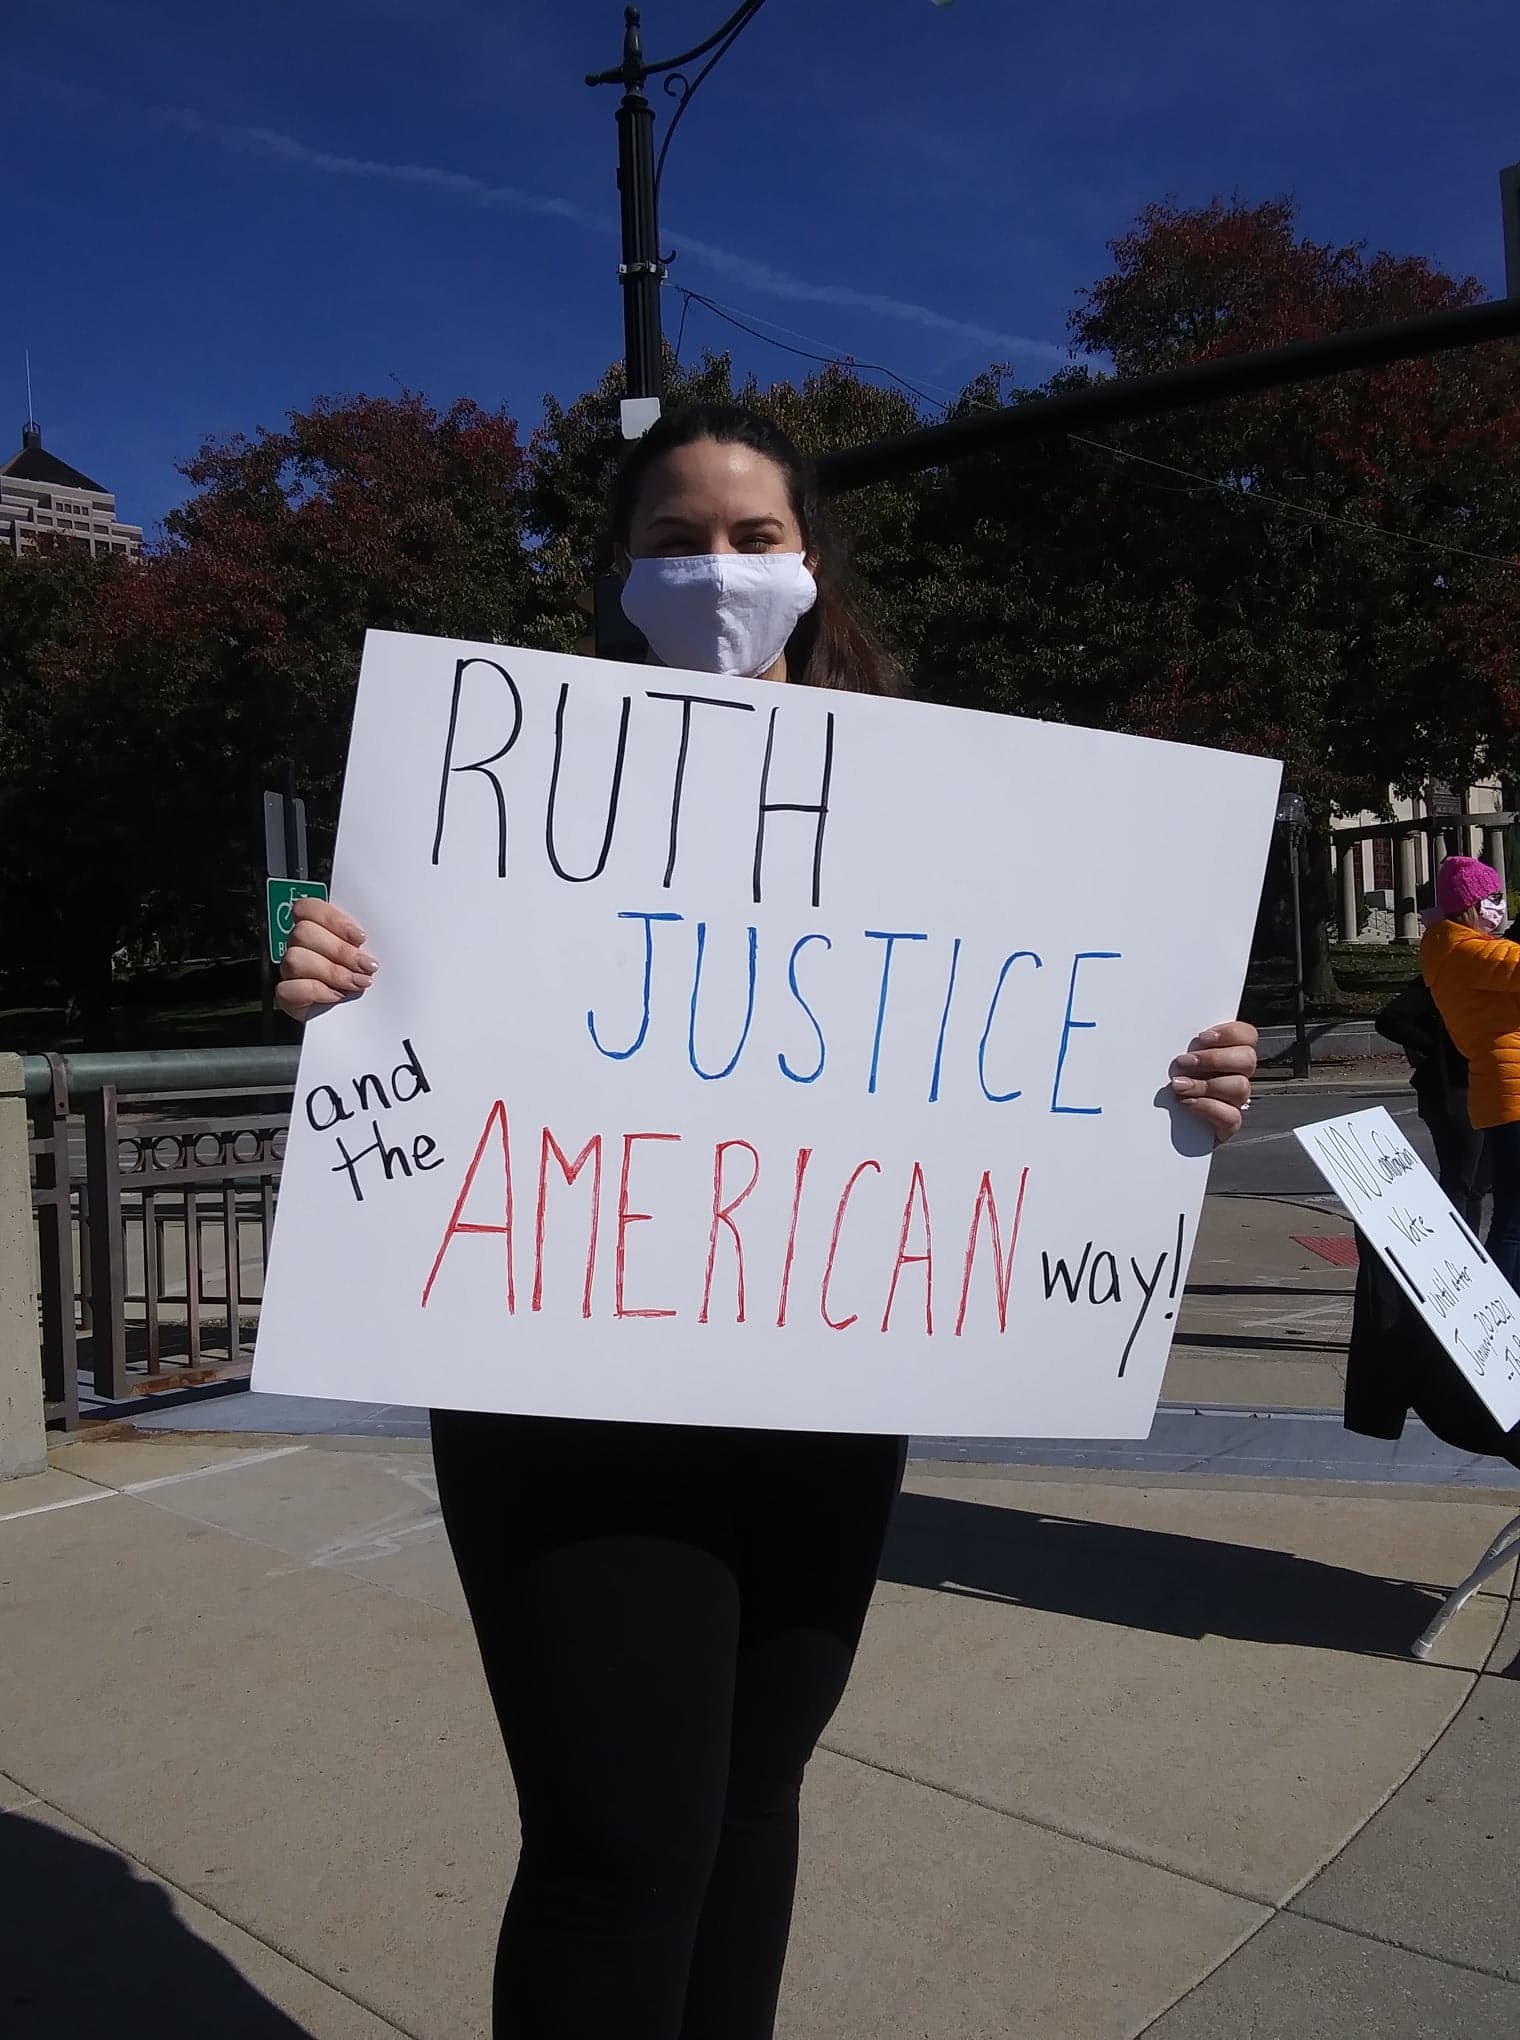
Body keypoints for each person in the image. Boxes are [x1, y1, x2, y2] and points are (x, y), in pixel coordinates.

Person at [276, 403, 1258, 2040]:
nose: (718, 573)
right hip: (564, 1383)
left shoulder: (953, 812)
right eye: (675, 543)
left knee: (752, 1799)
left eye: (753, 539)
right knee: (620, 1848)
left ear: (811, 565)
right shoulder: (500, 791)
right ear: (616, 573)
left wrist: (1185, 1076)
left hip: (822, 1389)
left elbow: (1049, 1032)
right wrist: (333, 986)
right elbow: (422, 1039)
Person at [1421, 853, 1520, 1290]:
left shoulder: (1452, 949)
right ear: (1471, 905)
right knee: (1514, 1220)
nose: (1498, 907)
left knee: (1511, 1214)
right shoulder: (1465, 950)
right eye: (1492, 898)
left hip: (1500, 1090)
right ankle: (1505, 1307)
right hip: (1511, 1089)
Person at [1375, 967, 1486, 1228]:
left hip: (1479, 1088)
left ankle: (1470, 1247)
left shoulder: (1488, 973)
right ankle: (1458, 1246)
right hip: (1452, 1090)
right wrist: (1436, 1048)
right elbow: (1390, 1020)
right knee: (1461, 1181)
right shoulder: (1442, 976)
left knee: (1477, 1184)